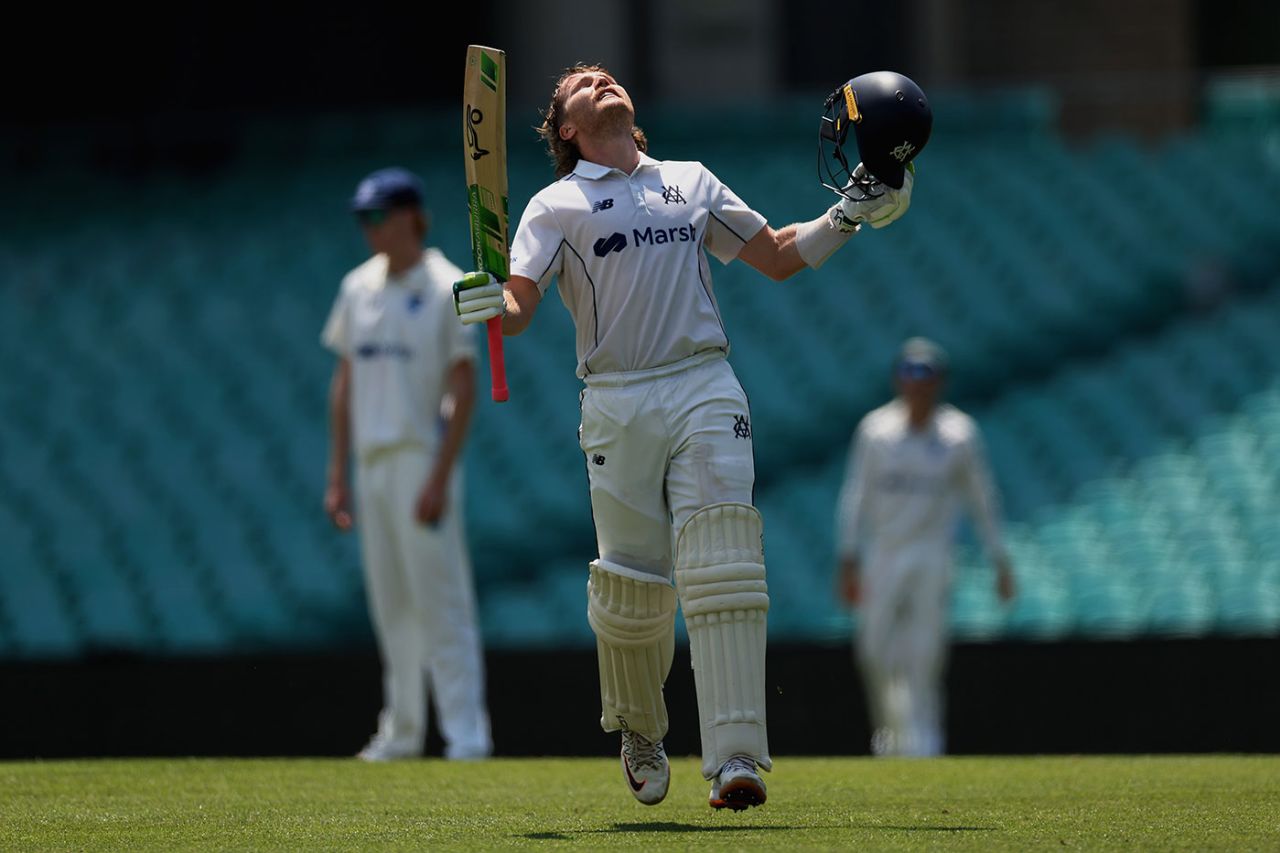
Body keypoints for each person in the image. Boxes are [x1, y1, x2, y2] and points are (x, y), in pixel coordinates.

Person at [454, 65, 924, 809]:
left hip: (704, 383)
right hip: (615, 399)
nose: (603, 81)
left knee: (725, 558)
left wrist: (849, 216)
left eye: (608, 76)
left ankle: (737, 757)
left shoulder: (690, 180)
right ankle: (640, 728)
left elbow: (773, 255)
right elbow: (519, 305)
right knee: (632, 591)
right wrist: (486, 300)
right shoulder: (555, 204)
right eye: (584, 84)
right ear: (565, 129)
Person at [322, 167, 492, 762]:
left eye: (377, 217)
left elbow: (463, 385)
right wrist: (337, 476)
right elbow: (344, 383)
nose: (368, 230)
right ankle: (402, 730)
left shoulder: (449, 283)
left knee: (441, 598)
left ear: (409, 218)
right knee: (391, 602)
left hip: (422, 457)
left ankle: (467, 736)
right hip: (372, 463)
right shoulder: (356, 288)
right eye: (362, 219)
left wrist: (441, 475)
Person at [835, 337, 1016, 758]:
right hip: (885, 551)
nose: (917, 387)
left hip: (933, 552)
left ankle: (926, 746)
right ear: (898, 381)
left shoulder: (959, 435)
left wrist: (1000, 559)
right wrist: (848, 558)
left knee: (926, 653)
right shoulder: (876, 431)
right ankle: (888, 737)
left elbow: (982, 498)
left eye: (927, 377)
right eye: (909, 376)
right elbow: (855, 495)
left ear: (940, 383)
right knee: (873, 649)